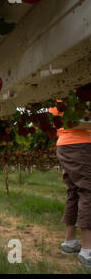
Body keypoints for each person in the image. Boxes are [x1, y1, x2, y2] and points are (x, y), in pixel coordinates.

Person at [50, 104, 91, 269]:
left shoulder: (59, 93)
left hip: (66, 145)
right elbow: (77, 118)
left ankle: (70, 242)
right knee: (88, 191)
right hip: (79, 145)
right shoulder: (76, 90)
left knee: (74, 192)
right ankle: (87, 250)